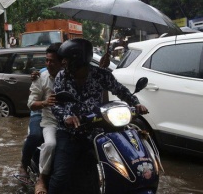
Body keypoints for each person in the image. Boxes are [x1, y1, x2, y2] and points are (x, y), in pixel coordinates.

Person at [48, 38, 148, 194]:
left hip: (95, 133)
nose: (63, 63)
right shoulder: (62, 76)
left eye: (66, 60)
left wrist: (135, 103)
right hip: (69, 133)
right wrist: (66, 117)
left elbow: (120, 90)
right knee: (61, 176)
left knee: (113, 169)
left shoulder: (101, 75)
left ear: (77, 59)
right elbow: (55, 103)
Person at [27, 43, 62, 194]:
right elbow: (30, 103)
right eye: (47, 60)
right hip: (50, 121)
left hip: (71, 121)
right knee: (51, 145)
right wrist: (45, 102)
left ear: (63, 62)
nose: (49, 64)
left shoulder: (71, 76)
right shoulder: (41, 77)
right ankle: (41, 179)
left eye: (52, 61)